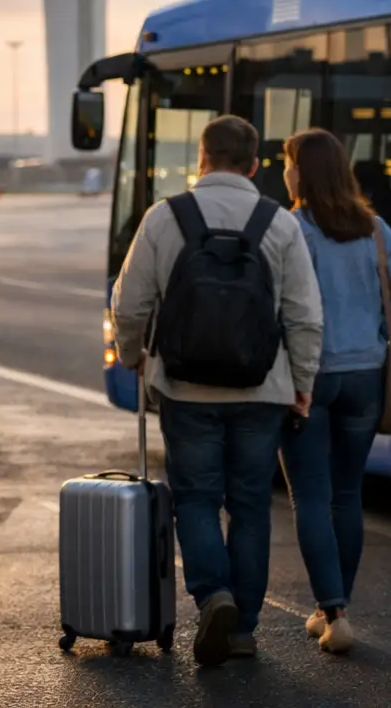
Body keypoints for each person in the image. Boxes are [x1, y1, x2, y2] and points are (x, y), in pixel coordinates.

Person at [111, 115, 323, 666]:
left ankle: (214, 595)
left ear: (201, 160)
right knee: (250, 506)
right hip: (261, 390)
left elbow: (129, 302)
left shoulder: (165, 217)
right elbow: (304, 315)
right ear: (254, 165)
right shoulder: (279, 223)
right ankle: (243, 629)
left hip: (186, 388)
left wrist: (134, 355)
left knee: (197, 499)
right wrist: (302, 384)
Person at [280, 128, 391, 653]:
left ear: (304, 172)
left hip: (309, 377)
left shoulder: (292, 229)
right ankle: (335, 609)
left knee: (310, 496)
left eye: (289, 162)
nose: (285, 171)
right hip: (366, 376)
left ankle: (332, 610)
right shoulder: (377, 229)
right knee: (346, 494)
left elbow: (284, 307)